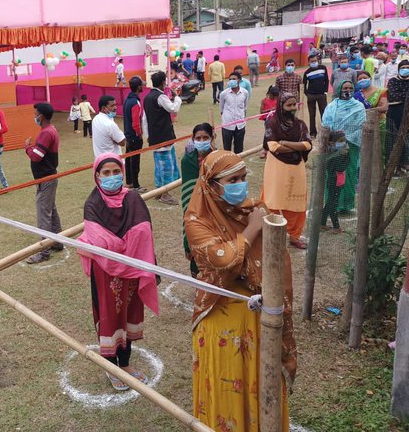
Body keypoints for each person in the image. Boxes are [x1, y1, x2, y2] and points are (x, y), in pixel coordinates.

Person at [185, 150, 296, 432]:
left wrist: (261, 223)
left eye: (243, 177)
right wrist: (251, 231)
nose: (241, 185)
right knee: (227, 392)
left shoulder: (252, 209)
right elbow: (222, 259)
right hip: (218, 321)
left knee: (262, 391)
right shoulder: (197, 221)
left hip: (261, 319)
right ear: (211, 185)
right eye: (233, 179)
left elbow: (277, 258)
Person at [77, 153, 159, 390]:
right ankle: (112, 366)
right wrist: (126, 245)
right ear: (97, 176)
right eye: (106, 173)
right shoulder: (93, 203)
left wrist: (124, 246)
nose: (112, 177)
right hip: (105, 273)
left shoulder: (133, 198)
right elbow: (99, 241)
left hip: (131, 271)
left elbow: (144, 231)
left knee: (129, 312)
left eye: (116, 172)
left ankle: (125, 362)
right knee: (110, 315)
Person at [261, 93, 312, 249]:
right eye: (288, 105)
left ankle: (294, 236)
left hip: (296, 169)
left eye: (294, 105)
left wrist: (285, 143)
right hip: (276, 168)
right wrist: (296, 146)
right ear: (281, 106)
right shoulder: (272, 122)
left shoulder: (300, 124)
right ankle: (270, 233)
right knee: (272, 201)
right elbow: (273, 147)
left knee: (296, 204)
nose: (292, 108)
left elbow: (308, 145)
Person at [25, 102, 64, 264]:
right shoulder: (48, 131)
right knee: (50, 210)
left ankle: (44, 251)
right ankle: (57, 241)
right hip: (47, 178)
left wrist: (27, 147)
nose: (34, 116)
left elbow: (36, 156)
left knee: (44, 214)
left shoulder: (47, 133)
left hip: (46, 179)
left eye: (35, 114)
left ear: (40, 116)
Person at [321, 80, 367, 213]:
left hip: (350, 147)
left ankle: (346, 204)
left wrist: (346, 138)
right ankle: (332, 204)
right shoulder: (331, 106)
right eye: (345, 87)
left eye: (350, 88)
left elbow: (361, 126)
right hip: (333, 146)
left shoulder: (359, 106)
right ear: (340, 89)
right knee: (332, 175)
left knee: (349, 174)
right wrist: (335, 138)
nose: (347, 90)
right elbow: (326, 123)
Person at [180, 123, 215, 276]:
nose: (202, 140)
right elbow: (188, 194)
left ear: (212, 138)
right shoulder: (187, 161)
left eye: (205, 137)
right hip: (195, 210)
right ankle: (197, 277)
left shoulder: (219, 158)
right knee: (196, 238)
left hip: (215, 211)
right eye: (198, 138)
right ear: (193, 140)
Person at [143, 70, 182, 206]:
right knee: (167, 166)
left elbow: (144, 119)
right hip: (163, 136)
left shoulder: (147, 97)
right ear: (162, 82)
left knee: (159, 165)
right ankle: (165, 193)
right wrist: (177, 98)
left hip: (155, 137)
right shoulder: (160, 96)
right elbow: (172, 109)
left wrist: (147, 135)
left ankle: (159, 191)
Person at [321, 131, 350, 234]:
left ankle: (322, 223)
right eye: (341, 141)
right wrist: (345, 157)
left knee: (330, 202)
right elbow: (340, 168)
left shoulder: (339, 153)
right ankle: (336, 227)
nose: (344, 144)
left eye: (345, 141)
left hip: (338, 181)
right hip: (334, 181)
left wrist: (345, 155)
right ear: (331, 143)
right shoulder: (333, 155)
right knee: (333, 204)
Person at [123, 76, 146, 192]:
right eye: (142, 85)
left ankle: (130, 182)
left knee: (128, 160)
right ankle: (136, 185)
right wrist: (139, 134)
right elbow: (136, 122)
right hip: (134, 136)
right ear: (138, 87)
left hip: (128, 135)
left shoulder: (127, 100)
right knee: (135, 161)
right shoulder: (135, 102)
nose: (143, 86)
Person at [386, 60, 409, 169]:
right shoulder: (393, 81)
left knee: (407, 138)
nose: (405, 69)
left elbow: (398, 95)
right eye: (403, 67)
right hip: (395, 114)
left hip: (407, 114)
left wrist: (401, 95)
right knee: (392, 138)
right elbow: (392, 96)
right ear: (399, 69)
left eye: (407, 67)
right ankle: (393, 164)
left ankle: (405, 163)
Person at [219, 71, 249, 154]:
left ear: (239, 80)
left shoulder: (245, 93)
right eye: (230, 79)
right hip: (227, 125)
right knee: (227, 149)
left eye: (234, 79)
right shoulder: (224, 94)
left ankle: (238, 165)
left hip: (240, 125)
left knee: (239, 149)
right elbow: (221, 109)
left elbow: (245, 107)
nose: (231, 81)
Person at [302, 54, 330, 137]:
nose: (314, 62)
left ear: (317, 60)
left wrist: (325, 91)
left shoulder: (323, 68)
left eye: (315, 61)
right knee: (312, 115)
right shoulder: (307, 72)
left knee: (324, 114)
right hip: (311, 96)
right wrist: (307, 94)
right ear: (309, 62)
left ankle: (325, 131)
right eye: (312, 61)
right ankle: (313, 133)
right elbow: (304, 84)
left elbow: (326, 80)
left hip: (322, 95)